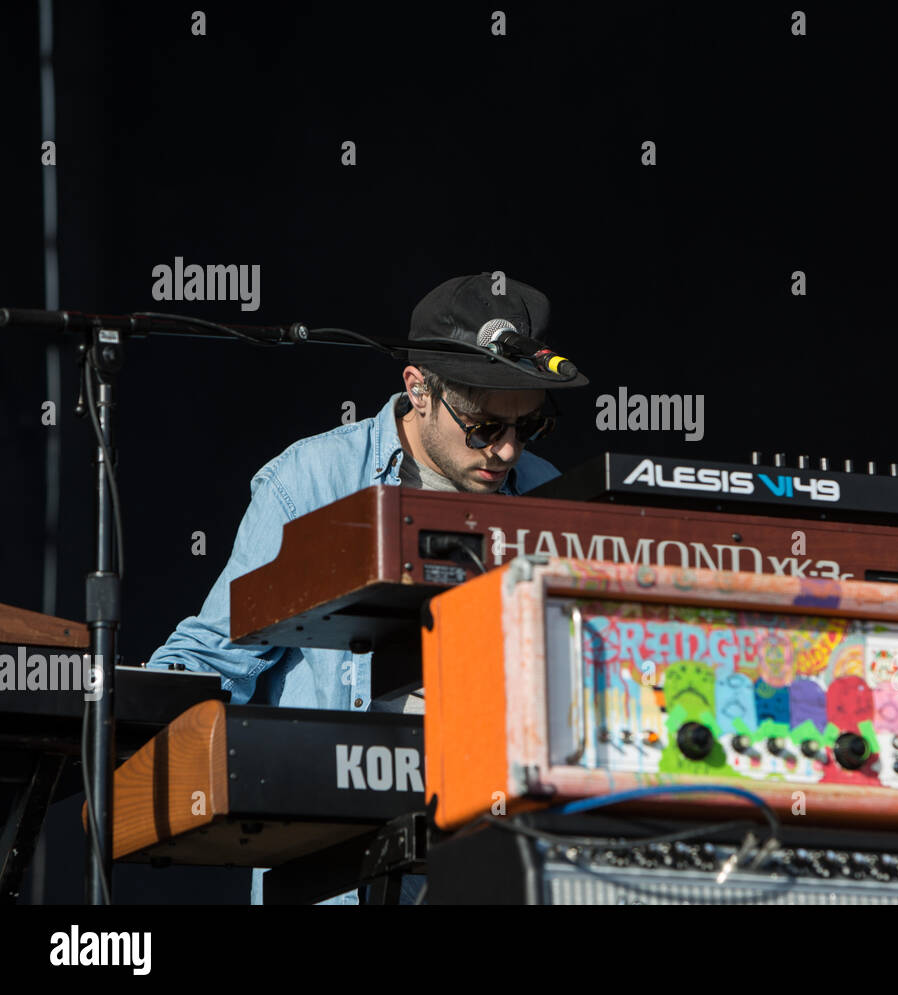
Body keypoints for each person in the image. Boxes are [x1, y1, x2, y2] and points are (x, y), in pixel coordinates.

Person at [146, 272, 586, 904]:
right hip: (348, 866)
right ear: (419, 389)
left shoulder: (547, 490)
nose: (509, 451)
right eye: (485, 427)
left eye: (529, 427)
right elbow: (220, 654)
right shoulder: (311, 480)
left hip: (495, 851)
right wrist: (134, 716)